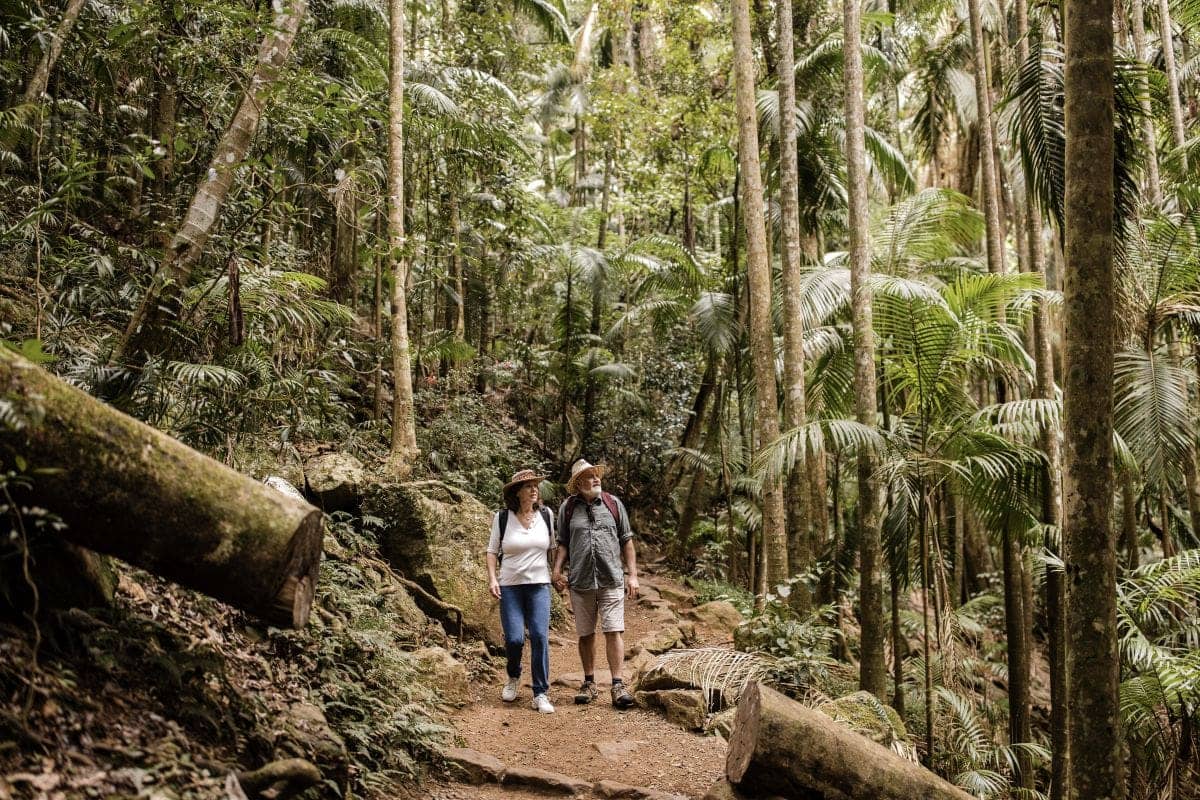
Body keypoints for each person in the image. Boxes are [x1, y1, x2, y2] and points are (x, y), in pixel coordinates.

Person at [551, 458, 639, 709]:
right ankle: (589, 683)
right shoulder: (567, 508)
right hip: (580, 581)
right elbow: (563, 543)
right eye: (589, 476)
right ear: (578, 483)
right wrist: (556, 571)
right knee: (586, 633)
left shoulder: (613, 504)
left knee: (614, 631)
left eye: (596, 475)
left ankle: (618, 684)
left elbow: (627, 541)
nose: (595, 479)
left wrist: (632, 575)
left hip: (611, 578)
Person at [486, 469, 556, 714]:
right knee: (515, 639)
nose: (534, 489)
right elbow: (492, 551)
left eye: (535, 485)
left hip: (539, 585)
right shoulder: (503, 518)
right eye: (528, 486)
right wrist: (493, 579)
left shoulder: (547, 515)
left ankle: (540, 693)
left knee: (539, 636)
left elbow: (553, 547)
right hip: (510, 586)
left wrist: (556, 574)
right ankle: (513, 676)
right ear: (517, 492)